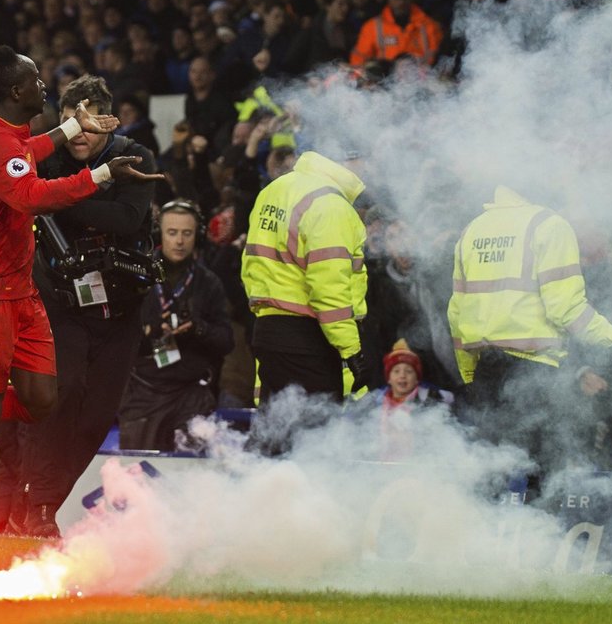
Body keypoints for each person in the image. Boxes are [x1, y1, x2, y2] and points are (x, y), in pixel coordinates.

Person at [0, 46, 159, 544]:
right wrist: (101, 175)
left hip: (20, 291)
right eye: (35, 78)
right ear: (16, 92)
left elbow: (28, 155)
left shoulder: (5, 134)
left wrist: (70, 130)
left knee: (44, 400)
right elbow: (31, 196)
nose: (44, 84)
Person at [3, 75, 159, 538]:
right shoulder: (45, 158)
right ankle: (41, 509)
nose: (82, 134)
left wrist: (59, 199)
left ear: (109, 124)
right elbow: (21, 194)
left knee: (96, 418)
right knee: (61, 397)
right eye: (74, 122)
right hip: (61, 305)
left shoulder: (136, 156)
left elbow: (128, 218)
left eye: (92, 124)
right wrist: (74, 193)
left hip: (123, 308)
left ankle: (38, 502)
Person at [447, 185, 612, 489]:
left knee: (492, 477)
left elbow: (457, 314)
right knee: (540, 481)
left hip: (486, 372)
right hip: (537, 374)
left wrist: (469, 372)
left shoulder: (473, 230)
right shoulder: (549, 224)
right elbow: (565, 307)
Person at [241, 149, 370, 450]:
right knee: (314, 448)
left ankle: (250, 496)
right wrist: (351, 349)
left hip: (269, 327)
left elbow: (250, 265)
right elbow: (329, 287)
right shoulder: (331, 205)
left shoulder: (275, 189)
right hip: (308, 339)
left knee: (273, 442)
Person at [118, 199, 234, 451]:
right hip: (142, 395)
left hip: (192, 396)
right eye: (172, 233)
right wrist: (149, 333)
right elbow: (113, 339)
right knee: (138, 478)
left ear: (197, 237)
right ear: (160, 234)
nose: (179, 241)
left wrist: (198, 329)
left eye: (187, 233)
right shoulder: (136, 275)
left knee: (193, 482)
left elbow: (227, 341)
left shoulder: (209, 282)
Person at [353, 339, 455, 460]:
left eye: (409, 371)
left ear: (417, 378)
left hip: (420, 464)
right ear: (389, 378)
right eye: (396, 371)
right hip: (381, 465)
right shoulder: (372, 402)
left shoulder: (433, 399)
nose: (402, 375)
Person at [349, 0, 443, 67]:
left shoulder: (430, 25)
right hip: (385, 82)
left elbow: (440, 57)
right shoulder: (372, 27)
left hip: (422, 82)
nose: (401, 2)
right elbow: (359, 59)